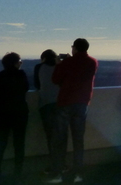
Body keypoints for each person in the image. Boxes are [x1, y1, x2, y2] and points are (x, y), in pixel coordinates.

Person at [47, 38, 98, 184]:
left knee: (59, 139)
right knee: (78, 140)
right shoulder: (93, 62)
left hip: (65, 102)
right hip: (82, 103)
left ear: (75, 48)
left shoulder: (67, 63)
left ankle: (57, 174)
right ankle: (78, 174)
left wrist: (59, 65)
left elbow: (56, 79)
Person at [0, 52, 30, 179]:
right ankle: (17, 173)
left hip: (2, 113)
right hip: (19, 113)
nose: (21, 63)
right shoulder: (21, 75)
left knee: (0, 144)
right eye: (19, 61)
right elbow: (25, 89)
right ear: (14, 63)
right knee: (19, 144)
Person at [34, 49, 61, 174]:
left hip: (45, 105)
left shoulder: (39, 67)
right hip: (60, 105)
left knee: (50, 136)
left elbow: (37, 85)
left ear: (43, 58)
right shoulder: (60, 67)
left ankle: (54, 166)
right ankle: (60, 164)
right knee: (60, 135)